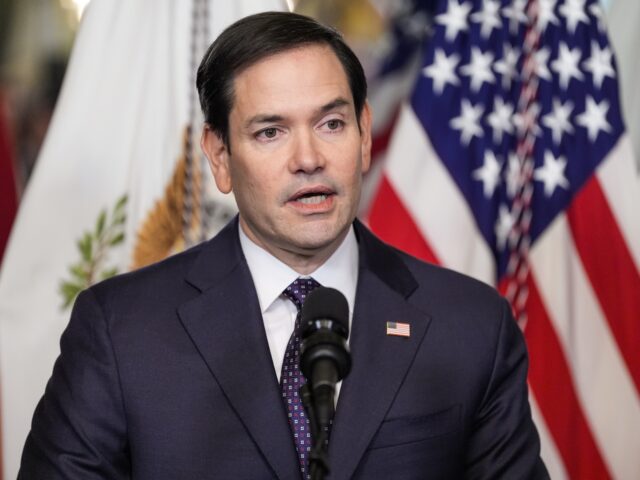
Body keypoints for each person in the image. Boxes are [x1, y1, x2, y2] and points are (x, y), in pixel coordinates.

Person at [19, 11, 548, 480]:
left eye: (332, 123)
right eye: (270, 132)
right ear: (220, 156)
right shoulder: (121, 331)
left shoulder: (472, 326)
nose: (309, 158)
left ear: (365, 135)